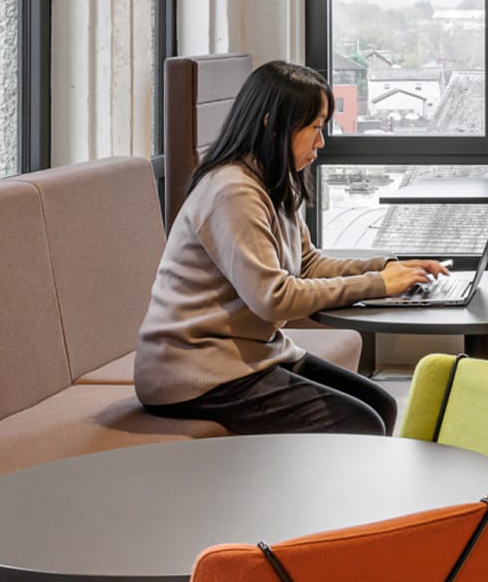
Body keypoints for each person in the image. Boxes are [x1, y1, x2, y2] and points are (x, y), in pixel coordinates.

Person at [136, 60, 447, 434]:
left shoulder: (272, 179)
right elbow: (274, 298)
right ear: (273, 124)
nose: (321, 142)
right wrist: (378, 285)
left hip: (251, 355)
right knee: (359, 424)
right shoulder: (233, 192)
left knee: (380, 405)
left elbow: (308, 264)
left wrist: (387, 268)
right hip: (195, 371)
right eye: (314, 127)